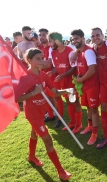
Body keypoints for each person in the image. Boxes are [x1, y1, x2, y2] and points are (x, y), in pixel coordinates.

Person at [16, 48, 72, 180]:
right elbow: (17, 98)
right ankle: (61, 171)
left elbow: (55, 92)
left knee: (34, 132)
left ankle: (31, 156)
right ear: (29, 60)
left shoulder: (44, 75)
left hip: (42, 111)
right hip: (32, 113)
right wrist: (33, 93)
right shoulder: (25, 77)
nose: (42, 61)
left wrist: (67, 90)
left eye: (42, 58)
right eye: (38, 59)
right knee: (47, 139)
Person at [47, 32, 83, 133]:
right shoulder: (53, 52)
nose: (50, 44)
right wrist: (52, 72)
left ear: (57, 41)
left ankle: (79, 124)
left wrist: (63, 75)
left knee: (75, 102)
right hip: (62, 81)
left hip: (71, 81)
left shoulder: (70, 51)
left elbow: (74, 67)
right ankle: (72, 122)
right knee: (68, 101)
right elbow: (56, 67)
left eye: (50, 41)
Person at [71, 29, 100, 146]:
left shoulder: (88, 52)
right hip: (85, 85)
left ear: (83, 38)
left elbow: (92, 69)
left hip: (92, 85)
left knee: (93, 109)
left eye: (76, 38)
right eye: (72, 39)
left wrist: (81, 79)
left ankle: (95, 133)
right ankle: (89, 126)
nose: (74, 41)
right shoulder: (80, 51)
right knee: (88, 107)